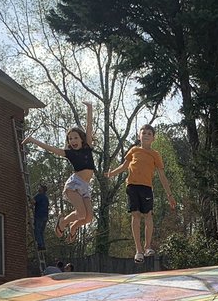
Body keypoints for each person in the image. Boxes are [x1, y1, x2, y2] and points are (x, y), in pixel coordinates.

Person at [23, 102, 96, 239]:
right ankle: (63, 222)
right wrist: (33, 140)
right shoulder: (69, 153)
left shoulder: (88, 147)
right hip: (74, 185)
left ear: (82, 139)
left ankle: (73, 227)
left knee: (88, 218)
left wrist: (89, 108)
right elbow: (50, 148)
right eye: (70, 139)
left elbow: (89, 126)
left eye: (75, 138)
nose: (73, 141)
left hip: (85, 186)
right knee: (81, 214)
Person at [106, 124, 176, 262]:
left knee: (148, 215)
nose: (146, 135)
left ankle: (147, 246)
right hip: (132, 186)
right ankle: (138, 250)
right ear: (139, 136)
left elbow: (162, 175)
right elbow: (124, 166)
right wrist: (111, 173)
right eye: (144, 133)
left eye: (149, 134)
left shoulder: (155, 154)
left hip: (146, 188)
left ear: (153, 138)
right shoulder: (134, 150)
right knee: (136, 215)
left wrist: (169, 195)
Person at [31, 184, 49, 251]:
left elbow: (33, 202)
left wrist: (30, 199)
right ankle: (43, 245)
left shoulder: (39, 195)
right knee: (41, 232)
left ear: (42, 189)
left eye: (40, 187)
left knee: (37, 231)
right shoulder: (46, 198)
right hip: (45, 216)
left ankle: (40, 245)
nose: (38, 188)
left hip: (39, 215)